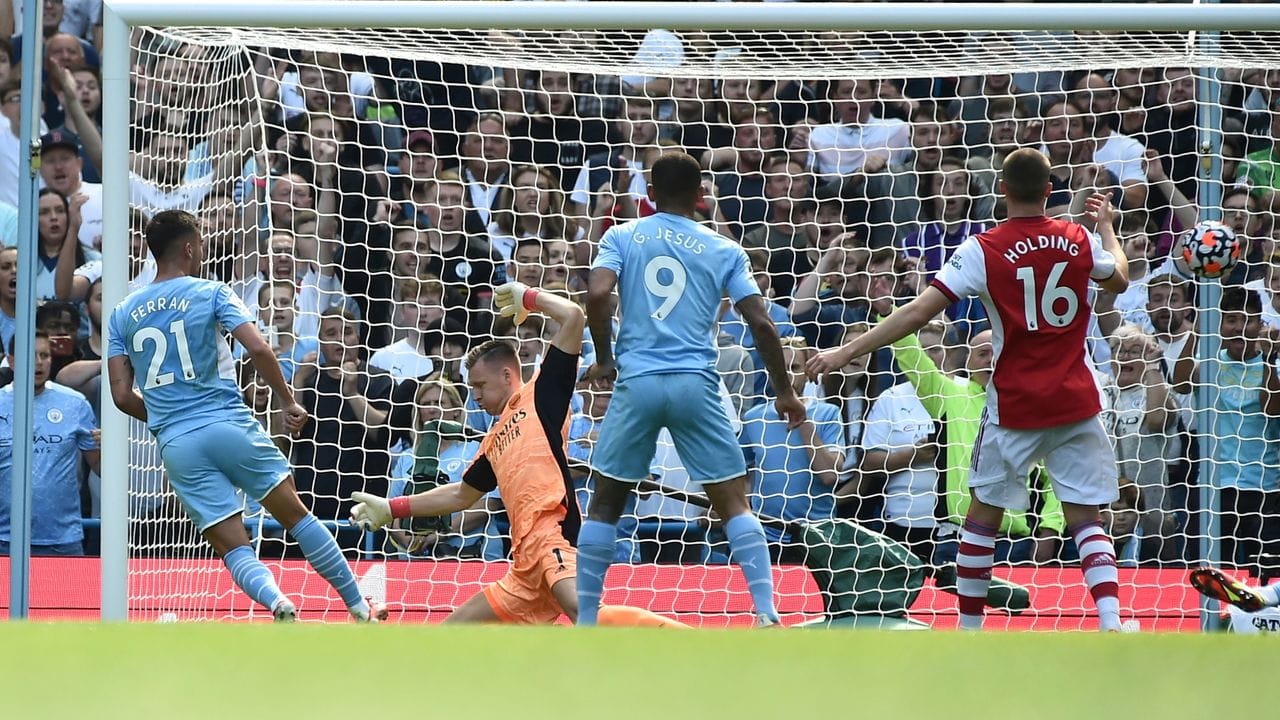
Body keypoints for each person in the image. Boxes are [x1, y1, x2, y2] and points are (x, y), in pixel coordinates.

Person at [808, 148, 1131, 631]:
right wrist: (1106, 226)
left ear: (1001, 190)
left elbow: (917, 313)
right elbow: (1121, 280)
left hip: (1015, 403)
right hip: (1075, 400)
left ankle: (970, 628)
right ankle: (1112, 622)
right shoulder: (1079, 237)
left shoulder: (983, 248)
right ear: (1049, 190)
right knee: (1085, 516)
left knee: (981, 516)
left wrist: (841, 353)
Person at [350, 282, 684, 628]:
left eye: (479, 385)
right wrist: (392, 508)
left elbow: (573, 316)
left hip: (551, 536)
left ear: (508, 375)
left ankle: (684, 640)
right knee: (449, 632)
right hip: (522, 566)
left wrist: (528, 297)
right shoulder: (492, 440)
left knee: (587, 614)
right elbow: (460, 494)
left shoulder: (540, 396)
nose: (474, 395)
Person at [106, 209, 378, 622]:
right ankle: (358, 605)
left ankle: (277, 602)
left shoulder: (122, 312)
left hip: (179, 444)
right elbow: (260, 349)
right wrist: (288, 401)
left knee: (233, 545)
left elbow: (122, 396)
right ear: (190, 247)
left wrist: (166, 418)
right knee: (297, 517)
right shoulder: (211, 292)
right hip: (227, 422)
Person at [578, 150, 807, 627]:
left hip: (637, 380)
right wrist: (784, 390)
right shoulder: (723, 248)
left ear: (650, 195)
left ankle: (584, 619)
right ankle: (765, 612)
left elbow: (597, 294)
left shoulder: (621, 234)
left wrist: (604, 357)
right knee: (732, 500)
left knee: (604, 502)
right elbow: (762, 323)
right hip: (696, 382)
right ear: (702, 197)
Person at [0, 330, 99, 555]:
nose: (38, 363)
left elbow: (100, 466)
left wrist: (112, 448)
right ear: (12, 361)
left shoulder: (75, 404)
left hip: (63, 542)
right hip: (4, 541)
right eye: (30, 355)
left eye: (44, 355)